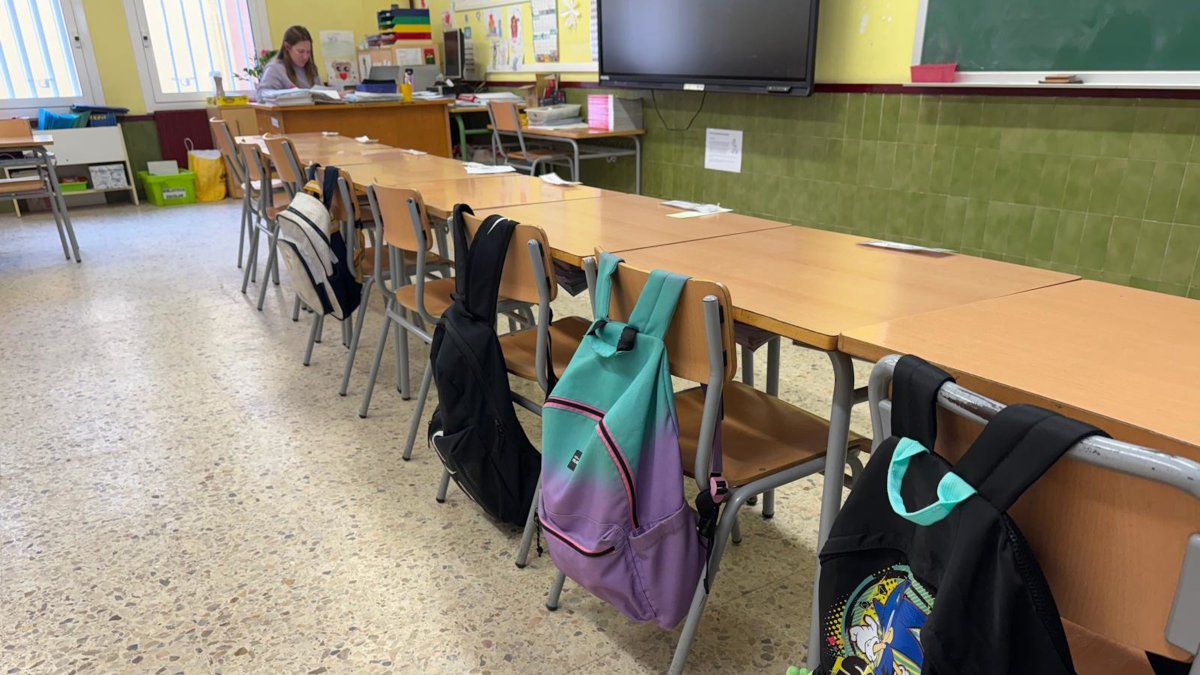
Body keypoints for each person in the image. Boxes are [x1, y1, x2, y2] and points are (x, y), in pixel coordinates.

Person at [257, 25, 319, 96]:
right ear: (287, 47)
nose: (305, 57)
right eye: (301, 51)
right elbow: (262, 94)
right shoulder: (275, 68)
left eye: (308, 52)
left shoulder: (311, 68)